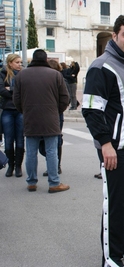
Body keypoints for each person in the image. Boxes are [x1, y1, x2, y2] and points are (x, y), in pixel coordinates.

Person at [81, 15, 124, 266]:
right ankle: (110, 257)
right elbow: (91, 109)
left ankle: (123, 243)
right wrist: (105, 143)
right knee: (115, 203)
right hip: (114, 149)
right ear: (115, 36)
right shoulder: (102, 66)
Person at [13, 49, 69, 194]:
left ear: (32, 60)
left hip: (30, 117)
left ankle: (31, 182)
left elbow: (16, 99)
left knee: (31, 151)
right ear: (45, 59)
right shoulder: (55, 75)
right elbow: (65, 98)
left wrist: (24, 111)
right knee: (51, 151)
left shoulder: (21, 75)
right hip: (51, 118)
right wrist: (57, 111)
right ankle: (54, 183)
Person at [39, 59, 68, 176]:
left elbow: (66, 99)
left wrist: (58, 110)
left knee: (56, 140)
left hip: (55, 113)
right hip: (48, 113)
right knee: (46, 141)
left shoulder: (61, 80)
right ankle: (54, 164)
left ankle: (56, 166)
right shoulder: (43, 80)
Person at [0, 54, 24, 177]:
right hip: (7, 110)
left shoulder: (23, 74)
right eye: (17, 62)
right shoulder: (3, 74)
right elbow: (1, 90)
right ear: (10, 63)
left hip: (20, 110)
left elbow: (25, 90)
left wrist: (10, 89)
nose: (20, 64)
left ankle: (18, 166)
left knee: (20, 139)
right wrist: (14, 92)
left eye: (20, 62)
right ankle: (10, 165)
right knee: (8, 140)